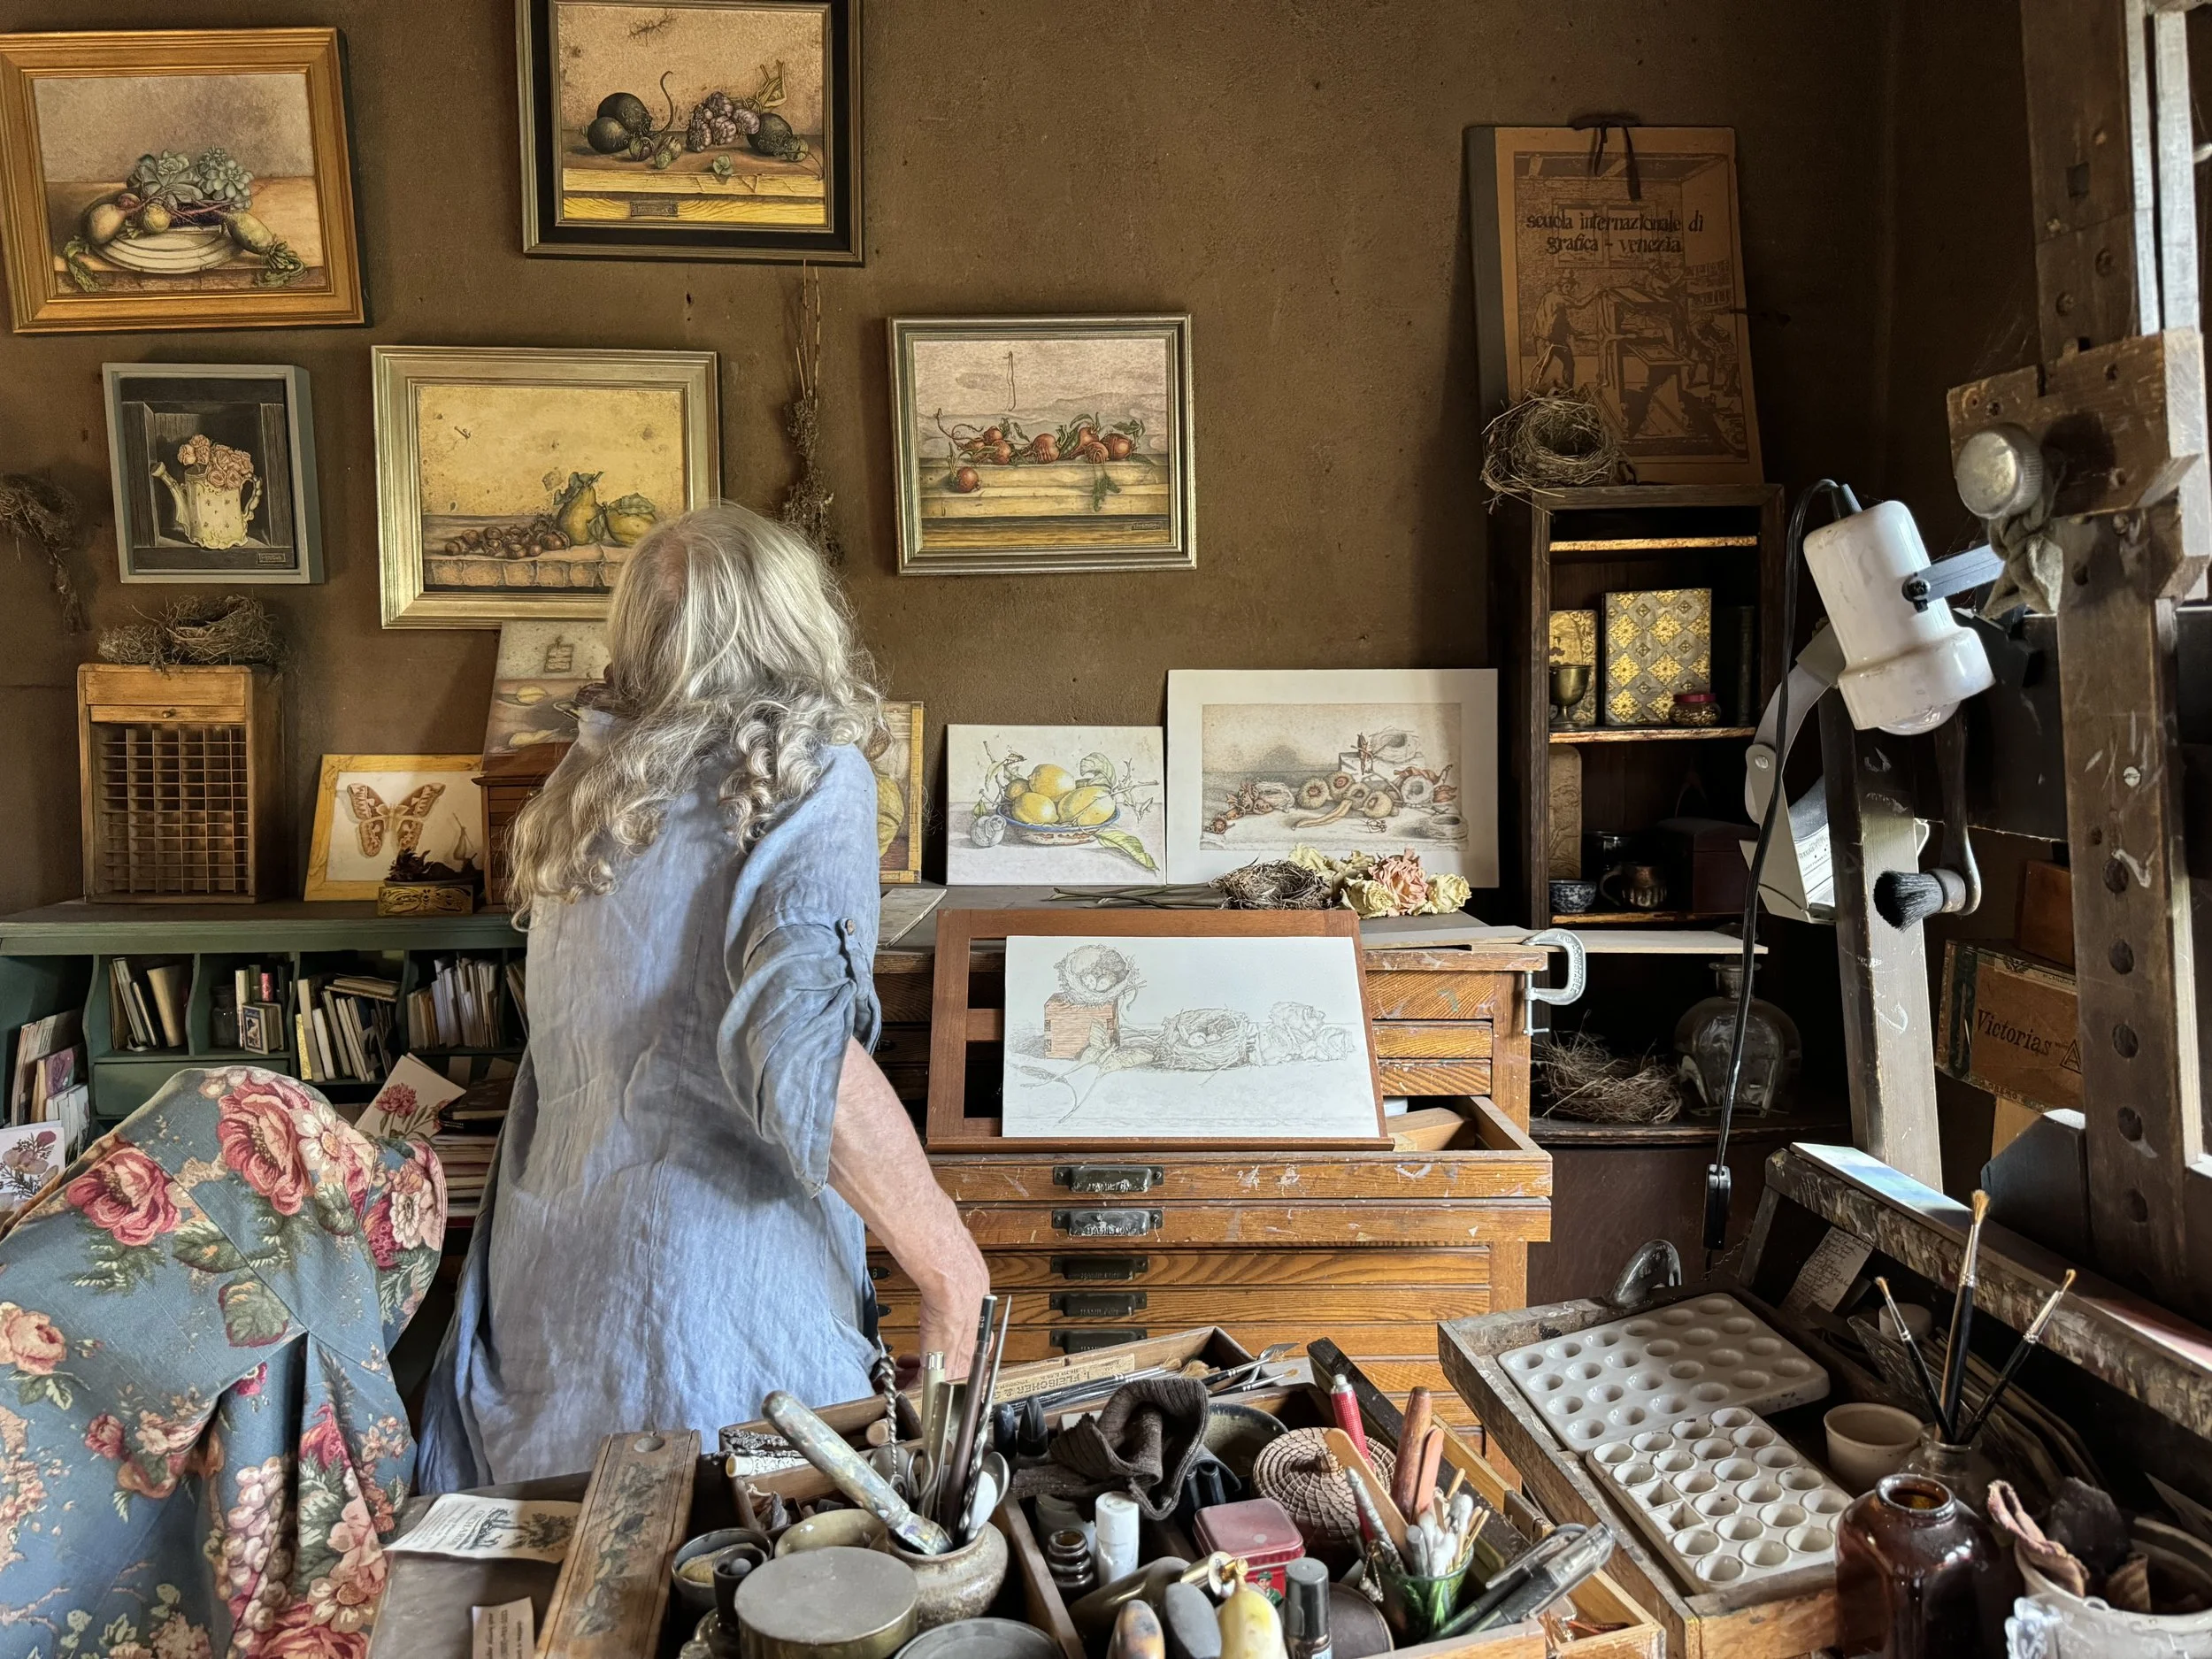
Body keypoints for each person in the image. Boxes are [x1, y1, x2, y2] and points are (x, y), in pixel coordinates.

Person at [419, 503, 988, 1488]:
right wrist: (950, 1269)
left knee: (576, 1568)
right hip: (715, 1317)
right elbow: (802, 1047)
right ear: (795, 619)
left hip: (552, 1304)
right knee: (736, 1572)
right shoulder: (812, 775)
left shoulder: (585, 785)